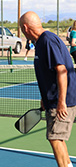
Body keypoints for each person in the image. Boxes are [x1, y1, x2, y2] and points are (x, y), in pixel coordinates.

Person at [20, 11, 76, 167]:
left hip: (62, 101)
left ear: (25, 27)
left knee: (55, 138)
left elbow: (62, 70)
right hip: (53, 100)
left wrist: (61, 102)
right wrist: (44, 98)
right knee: (57, 139)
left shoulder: (48, 41)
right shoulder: (41, 42)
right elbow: (50, 73)